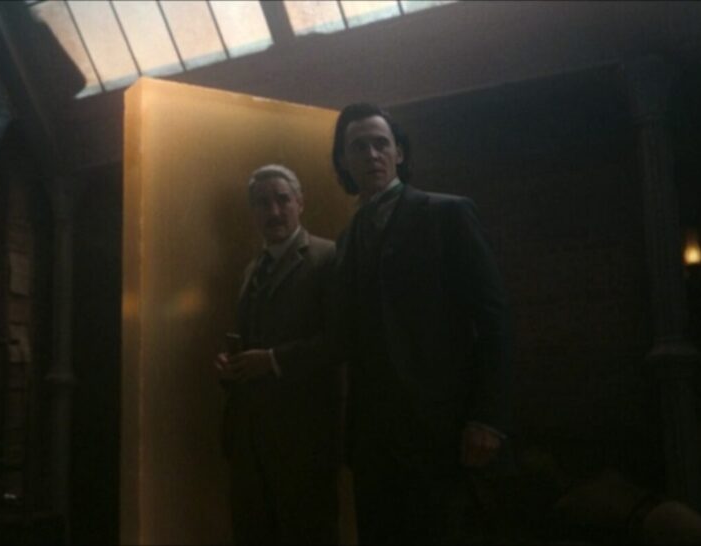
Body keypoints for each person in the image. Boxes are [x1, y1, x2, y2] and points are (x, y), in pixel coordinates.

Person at [329, 103, 512, 543]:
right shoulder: (347, 239)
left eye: (381, 144)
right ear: (344, 161)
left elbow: (493, 319)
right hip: (373, 442)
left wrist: (487, 417)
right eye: (359, 147)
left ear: (400, 153)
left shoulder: (446, 214)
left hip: (441, 430)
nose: (372, 154)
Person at [214, 164, 341, 545]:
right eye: (262, 203)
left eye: (282, 200)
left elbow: (340, 341)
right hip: (248, 441)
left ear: (300, 203)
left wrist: (272, 360)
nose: (273, 211)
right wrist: (232, 367)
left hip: (304, 439)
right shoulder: (251, 269)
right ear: (252, 212)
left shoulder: (328, 257)